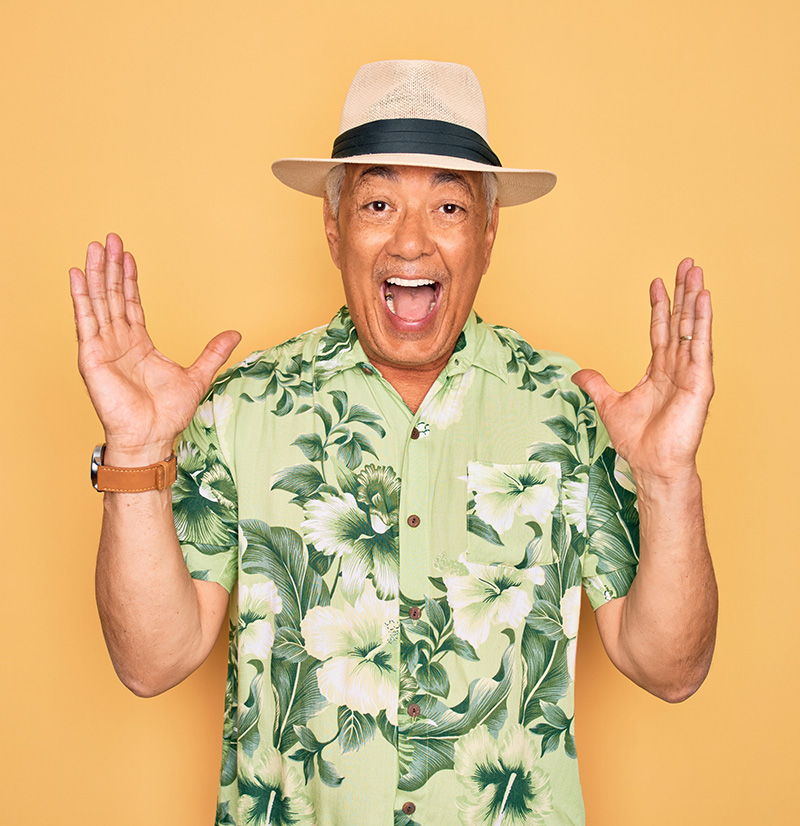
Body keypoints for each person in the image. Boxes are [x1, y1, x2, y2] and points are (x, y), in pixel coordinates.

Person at [69, 60, 717, 826]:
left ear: (487, 231)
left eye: (448, 206)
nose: (411, 242)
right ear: (335, 226)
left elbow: (669, 669)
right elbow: (151, 663)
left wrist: (670, 479)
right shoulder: (239, 407)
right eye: (379, 202)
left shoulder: (571, 414)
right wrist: (138, 453)